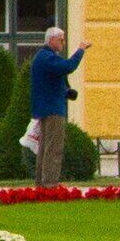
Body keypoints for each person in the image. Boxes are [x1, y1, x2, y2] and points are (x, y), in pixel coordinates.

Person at [24, 27, 88, 186]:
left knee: (45, 148)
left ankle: (41, 183)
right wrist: (81, 50)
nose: (63, 43)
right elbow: (68, 66)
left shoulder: (43, 57)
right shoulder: (47, 57)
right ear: (52, 40)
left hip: (45, 108)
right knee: (53, 149)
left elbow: (50, 83)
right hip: (53, 109)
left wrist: (66, 92)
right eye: (61, 40)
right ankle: (50, 185)